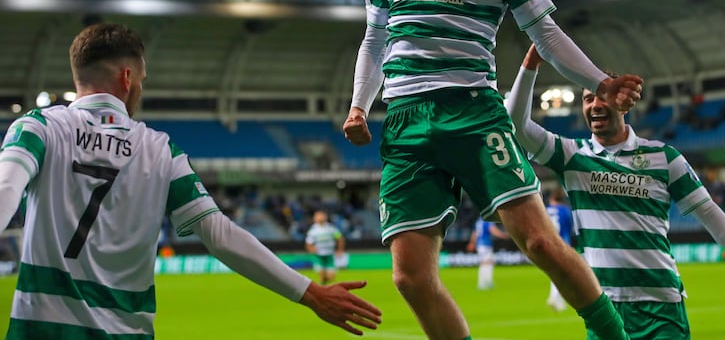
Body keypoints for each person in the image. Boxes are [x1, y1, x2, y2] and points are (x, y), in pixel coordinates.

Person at [342, 0, 644, 340]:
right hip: (405, 119)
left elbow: (543, 30)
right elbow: (375, 37)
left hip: (474, 110)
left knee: (541, 243)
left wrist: (601, 81)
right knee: (410, 277)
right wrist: (358, 105)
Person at [0, 22, 382, 339]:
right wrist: (311, 294)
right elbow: (221, 235)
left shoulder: (38, 128)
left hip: (38, 326)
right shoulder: (160, 151)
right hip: (125, 331)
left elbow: (5, 191)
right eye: (143, 80)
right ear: (128, 77)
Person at [505, 43, 725, 339]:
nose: (594, 105)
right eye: (587, 99)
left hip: (661, 307)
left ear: (621, 103)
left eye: (601, 97)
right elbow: (515, 125)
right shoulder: (572, 156)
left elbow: (707, 210)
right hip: (603, 308)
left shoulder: (664, 157)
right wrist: (531, 62)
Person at [545, 187, 573, 311]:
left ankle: (557, 299)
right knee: (564, 274)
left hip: (547, 244)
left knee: (556, 272)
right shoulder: (565, 210)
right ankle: (554, 297)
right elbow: (570, 228)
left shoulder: (545, 210)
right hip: (562, 244)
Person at [465, 218, 510, 290]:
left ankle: (484, 282)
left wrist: (472, 243)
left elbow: (475, 233)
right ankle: (485, 283)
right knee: (487, 263)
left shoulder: (478, 221)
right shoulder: (487, 220)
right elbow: (492, 230)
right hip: (485, 244)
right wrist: (503, 235)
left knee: (485, 263)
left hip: (480, 244)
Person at [305, 210, 346, 285]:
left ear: (325, 217)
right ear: (315, 218)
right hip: (319, 255)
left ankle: (323, 283)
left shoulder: (331, 228)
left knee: (331, 277)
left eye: (321, 216)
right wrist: (311, 249)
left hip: (329, 255)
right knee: (322, 275)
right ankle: (323, 288)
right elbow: (308, 243)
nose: (320, 218)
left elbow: (339, 238)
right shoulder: (313, 230)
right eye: (318, 216)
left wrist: (340, 250)